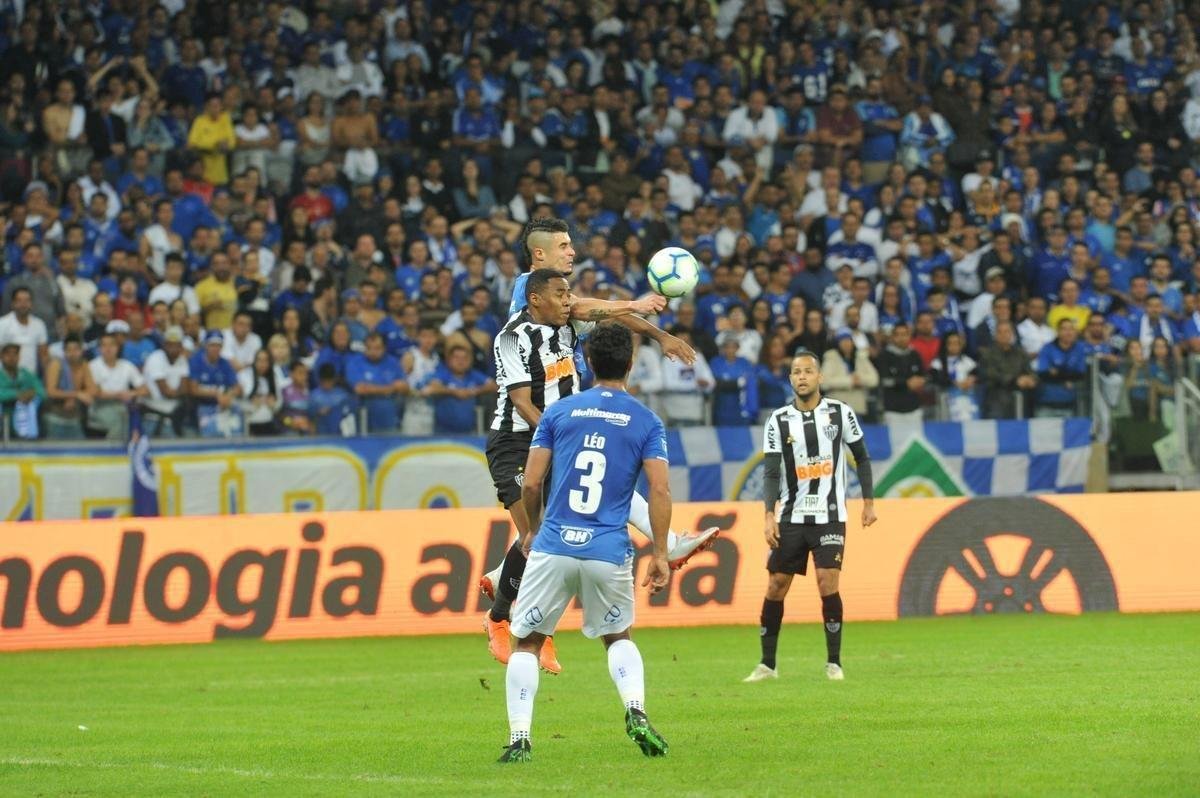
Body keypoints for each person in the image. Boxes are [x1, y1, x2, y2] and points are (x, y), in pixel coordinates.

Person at [499, 322, 672, 763]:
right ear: (631, 364)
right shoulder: (646, 421)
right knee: (618, 636)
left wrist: (533, 530)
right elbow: (660, 491)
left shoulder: (559, 413)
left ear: (588, 362)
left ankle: (519, 739)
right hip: (608, 549)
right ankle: (635, 710)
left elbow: (532, 483)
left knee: (528, 643)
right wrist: (661, 553)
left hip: (555, 544)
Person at [744, 349, 877, 684]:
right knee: (776, 585)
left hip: (830, 514)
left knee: (826, 581)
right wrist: (768, 515)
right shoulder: (778, 420)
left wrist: (869, 503)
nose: (801, 377)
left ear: (819, 377)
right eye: (795, 372)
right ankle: (767, 664)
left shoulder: (840, 413)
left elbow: (862, 457)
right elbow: (771, 472)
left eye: (807, 371)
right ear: (790, 379)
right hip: (790, 515)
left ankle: (834, 662)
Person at [423, 344, 494, 434]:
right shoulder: (443, 373)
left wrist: (473, 391)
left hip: (469, 433)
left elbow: (493, 386)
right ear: (449, 360)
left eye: (465, 358)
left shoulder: (473, 374)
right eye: (456, 358)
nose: (461, 361)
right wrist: (454, 392)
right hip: (442, 433)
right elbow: (431, 388)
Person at [0, 340, 46, 440]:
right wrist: (17, 395)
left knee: (33, 403)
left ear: (19, 357)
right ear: (1, 357)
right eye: (7, 354)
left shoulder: (26, 374)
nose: (12, 358)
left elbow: (42, 392)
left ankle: (30, 436)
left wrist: (31, 394)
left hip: (23, 420)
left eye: (15, 354)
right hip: (4, 416)